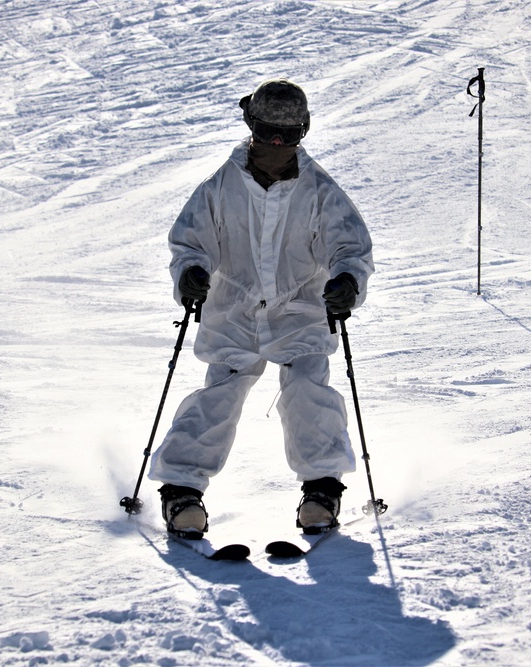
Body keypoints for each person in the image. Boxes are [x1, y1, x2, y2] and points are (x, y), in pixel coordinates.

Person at [147, 78, 374, 539]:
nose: (276, 144)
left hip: (302, 307)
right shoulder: (220, 187)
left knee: (308, 384)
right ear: (251, 124)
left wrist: (348, 281)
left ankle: (322, 489)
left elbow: (350, 246)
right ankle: (182, 492)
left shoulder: (320, 191)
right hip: (233, 307)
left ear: (302, 133)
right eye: (269, 132)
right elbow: (190, 239)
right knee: (223, 388)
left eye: (286, 136)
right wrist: (191, 270)